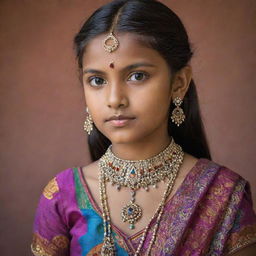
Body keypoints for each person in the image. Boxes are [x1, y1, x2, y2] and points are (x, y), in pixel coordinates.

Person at [31, 0, 256, 255]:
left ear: (179, 83)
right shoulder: (61, 195)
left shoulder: (224, 196)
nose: (114, 99)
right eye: (97, 80)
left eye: (137, 76)